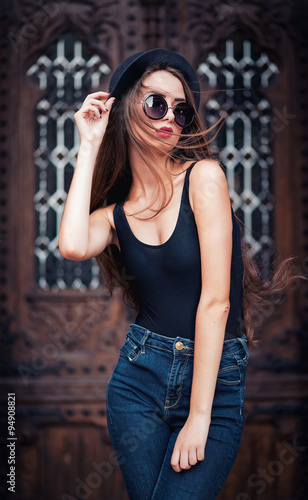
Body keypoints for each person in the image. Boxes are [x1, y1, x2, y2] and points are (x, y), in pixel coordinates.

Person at [58, 48, 301, 500]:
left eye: (181, 109)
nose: (170, 116)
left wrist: (200, 415)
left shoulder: (204, 178)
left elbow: (217, 300)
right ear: (126, 110)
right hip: (138, 380)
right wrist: (89, 142)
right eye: (156, 103)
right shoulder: (115, 217)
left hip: (215, 381)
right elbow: (71, 244)